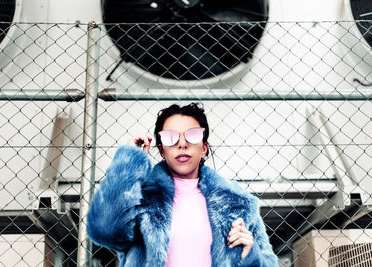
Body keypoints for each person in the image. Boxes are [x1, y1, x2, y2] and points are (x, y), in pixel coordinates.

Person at [87, 103, 278, 267]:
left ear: (204, 147)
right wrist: (130, 161)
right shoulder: (142, 197)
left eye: (193, 135)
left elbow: (268, 262)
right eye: (171, 137)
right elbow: (104, 230)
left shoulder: (238, 203)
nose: (182, 144)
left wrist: (250, 256)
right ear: (161, 150)